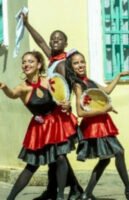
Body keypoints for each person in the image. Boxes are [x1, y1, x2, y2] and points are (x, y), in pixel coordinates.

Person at [22, 13, 83, 200]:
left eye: (59, 39)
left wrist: (69, 103)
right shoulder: (52, 57)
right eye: (53, 39)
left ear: (65, 43)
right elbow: (40, 41)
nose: (54, 41)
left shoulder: (64, 63)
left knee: (59, 155)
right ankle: (73, 190)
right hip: (53, 111)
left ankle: (63, 192)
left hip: (60, 112)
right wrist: (27, 24)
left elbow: (71, 85)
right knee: (57, 155)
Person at [1, 51, 77, 200]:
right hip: (40, 129)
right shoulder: (23, 88)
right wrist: (4, 87)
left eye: (30, 61)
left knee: (61, 157)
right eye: (24, 62)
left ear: (39, 65)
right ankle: (10, 198)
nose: (26, 64)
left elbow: (62, 96)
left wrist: (67, 104)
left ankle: (60, 196)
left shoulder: (49, 81)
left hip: (56, 124)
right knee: (31, 166)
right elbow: (12, 93)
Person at [64, 51, 129, 200]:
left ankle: (87, 193)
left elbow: (107, 91)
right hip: (95, 126)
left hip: (102, 124)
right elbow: (80, 112)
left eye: (82, 61)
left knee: (105, 159)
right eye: (76, 63)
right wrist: (104, 109)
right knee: (119, 153)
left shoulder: (88, 81)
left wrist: (119, 75)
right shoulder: (78, 85)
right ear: (71, 67)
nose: (80, 65)